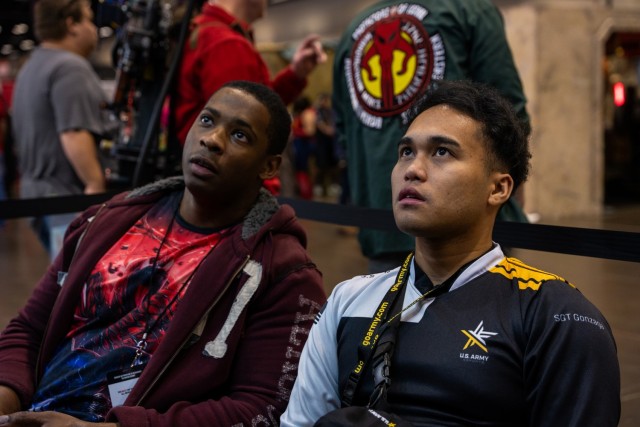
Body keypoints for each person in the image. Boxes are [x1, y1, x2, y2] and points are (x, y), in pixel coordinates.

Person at [281, 80, 620, 426]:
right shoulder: (347, 300)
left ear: (499, 187)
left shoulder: (556, 315)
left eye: (442, 151)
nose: (413, 169)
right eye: (406, 152)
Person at [0, 81, 326, 427]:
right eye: (206, 120)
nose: (212, 139)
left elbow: (259, 408)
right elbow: (31, 327)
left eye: (239, 136)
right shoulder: (107, 220)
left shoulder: (285, 273)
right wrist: (7, 400)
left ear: (269, 167)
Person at [333, 0, 531, 272]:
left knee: (388, 310)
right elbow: (509, 115)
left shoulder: (353, 32)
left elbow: (343, 132)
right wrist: (514, 188)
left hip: (383, 223)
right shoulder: (469, 10)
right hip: (465, 231)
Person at [11, 0, 111, 258]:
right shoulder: (69, 67)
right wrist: (94, 189)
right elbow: (73, 133)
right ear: (72, 25)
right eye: (88, 19)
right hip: (65, 198)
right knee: (74, 283)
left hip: (38, 194)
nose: (93, 28)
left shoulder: (32, 65)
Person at [171, 0, 326, 148]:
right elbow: (241, 132)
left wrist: (295, 73)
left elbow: (259, 106)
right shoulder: (226, 44)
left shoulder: (211, 33)